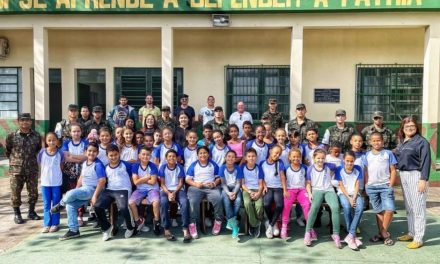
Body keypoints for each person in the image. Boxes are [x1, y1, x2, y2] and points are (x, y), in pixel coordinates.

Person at [51, 142, 106, 240]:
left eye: (94, 151)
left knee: (69, 194)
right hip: (84, 190)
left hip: (93, 190)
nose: (91, 153)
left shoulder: (98, 164)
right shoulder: (85, 163)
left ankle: (61, 204)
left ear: (97, 153)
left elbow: (102, 181)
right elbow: (81, 177)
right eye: (89, 151)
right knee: (70, 205)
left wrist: (95, 196)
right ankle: (74, 230)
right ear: (85, 152)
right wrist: (76, 190)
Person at [395, 117, 431, 249]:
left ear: (417, 127)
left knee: (418, 208)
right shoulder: (402, 141)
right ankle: (411, 232)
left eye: (412, 125)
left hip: (416, 175)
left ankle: (419, 238)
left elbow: (426, 161)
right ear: (402, 128)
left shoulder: (422, 142)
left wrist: (423, 179)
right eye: (407, 126)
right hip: (404, 175)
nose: (409, 128)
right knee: (409, 207)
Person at [94, 144, 137, 240]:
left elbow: (132, 178)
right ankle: (106, 228)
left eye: (115, 154)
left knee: (123, 207)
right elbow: (104, 181)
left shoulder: (126, 165)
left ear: (119, 154)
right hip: (109, 190)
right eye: (111, 155)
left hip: (123, 189)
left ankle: (131, 227)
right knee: (97, 206)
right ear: (107, 156)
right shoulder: (106, 167)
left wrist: (129, 187)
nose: (113, 157)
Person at [6, 113, 42, 224]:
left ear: (31, 122)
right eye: (22, 120)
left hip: (31, 168)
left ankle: (31, 212)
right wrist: (15, 161)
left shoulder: (36, 136)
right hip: (16, 169)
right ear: (18, 121)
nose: (25, 122)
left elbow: (38, 150)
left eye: (27, 120)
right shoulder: (12, 136)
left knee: (33, 192)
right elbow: (8, 151)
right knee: (15, 192)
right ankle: (17, 214)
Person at [363, 132, 397, 246]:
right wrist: (367, 184)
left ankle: (383, 232)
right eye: (374, 140)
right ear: (370, 142)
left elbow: (393, 170)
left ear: (382, 141)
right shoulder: (367, 155)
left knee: (390, 209)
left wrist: (391, 185)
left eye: (379, 140)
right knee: (379, 211)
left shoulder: (388, 153)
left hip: (385, 186)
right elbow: (366, 171)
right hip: (372, 187)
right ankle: (384, 235)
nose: (376, 142)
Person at [304, 149, 340, 248]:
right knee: (314, 208)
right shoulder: (310, 168)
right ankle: (307, 233)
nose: (320, 160)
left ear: (325, 158)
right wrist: (310, 193)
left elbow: (338, 168)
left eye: (323, 158)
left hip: (329, 190)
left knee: (335, 208)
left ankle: (336, 234)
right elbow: (308, 183)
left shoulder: (329, 166)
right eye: (318, 158)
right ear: (314, 159)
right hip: (317, 190)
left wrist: (334, 178)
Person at [186, 146, 224, 239]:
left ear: (208, 154)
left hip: (210, 187)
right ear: (197, 155)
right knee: (193, 201)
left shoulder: (213, 164)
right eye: (200, 153)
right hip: (196, 187)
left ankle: (218, 221)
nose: (203, 155)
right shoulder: (194, 165)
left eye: (205, 153)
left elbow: (218, 178)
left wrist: (214, 183)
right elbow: (187, 179)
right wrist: (195, 184)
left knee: (218, 198)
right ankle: (192, 223)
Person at [159, 149, 191, 243]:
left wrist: (174, 193)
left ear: (176, 158)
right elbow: (162, 184)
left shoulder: (180, 167)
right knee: (163, 202)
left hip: (178, 189)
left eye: (174, 156)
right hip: (166, 190)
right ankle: (166, 229)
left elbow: (181, 183)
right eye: (169, 156)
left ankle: (185, 229)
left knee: (185, 202)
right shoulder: (163, 167)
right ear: (166, 158)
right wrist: (169, 193)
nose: (172, 158)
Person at [128, 146, 161, 236]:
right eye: (143, 154)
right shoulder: (135, 166)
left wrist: (140, 179)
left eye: (147, 155)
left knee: (156, 201)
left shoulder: (153, 166)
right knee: (131, 202)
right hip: (140, 189)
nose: (145, 156)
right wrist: (147, 177)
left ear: (150, 156)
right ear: (139, 155)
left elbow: (153, 182)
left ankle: (156, 222)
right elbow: (135, 182)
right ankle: (138, 221)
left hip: (152, 188)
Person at [335, 151, 364, 251]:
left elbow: (357, 184)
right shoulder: (339, 169)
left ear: (354, 161)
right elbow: (341, 185)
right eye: (347, 161)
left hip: (355, 193)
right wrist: (349, 198)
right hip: (344, 193)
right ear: (344, 160)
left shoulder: (358, 168)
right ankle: (352, 236)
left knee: (360, 208)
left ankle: (350, 234)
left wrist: (354, 197)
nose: (349, 163)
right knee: (347, 207)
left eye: (351, 161)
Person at [280, 148, 310, 239]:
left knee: (307, 204)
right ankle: (284, 226)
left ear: (300, 157)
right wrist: (285, 190)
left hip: (301, 190)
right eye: (293, 156)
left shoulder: (305, 167)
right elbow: (283, 179)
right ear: (289, 157)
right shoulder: (286, 167)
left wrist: (308, 192)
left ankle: (309, 229)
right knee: (286, 205)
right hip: (290, 190)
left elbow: (307, 181)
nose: (296, 158)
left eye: (298, 156)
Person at [38, 132, 64, 233]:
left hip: (56, 183)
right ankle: (47, 224)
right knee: (46, 204)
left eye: (54, 140)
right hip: (45, 183)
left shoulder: (60, 153)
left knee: (56, 204)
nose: (52, 142)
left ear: (57, 141)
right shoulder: (42, 153)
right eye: (49, 140)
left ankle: (55, 223)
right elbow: (41, 165)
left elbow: (61, 166)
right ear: (46, 141)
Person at [261, 145, 286, 239]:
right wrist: (264, 186)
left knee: (280, 205)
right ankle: (272, 221)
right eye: (276, 153)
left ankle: (271, 225)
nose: (277, 155)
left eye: (279, 154)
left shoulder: (280, 162)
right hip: (268, 188)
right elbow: (261, 177)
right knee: (266, 204)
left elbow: (282, 176)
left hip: (278, 188)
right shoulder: (263, 163)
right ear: (270, 151)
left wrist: (285, 190)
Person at [241, 148, 264, 238]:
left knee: (259, 206)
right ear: (246, 158)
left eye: (253, 156)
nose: (251, 158)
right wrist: (250, 192)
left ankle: (254, 223)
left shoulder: (258, 168)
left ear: (256, 157)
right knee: (247, 203)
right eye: (249, 156)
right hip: (247, 190)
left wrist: (258, 193)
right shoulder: (242, 167)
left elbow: (261, 184)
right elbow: (242, 184)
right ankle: (255, 225)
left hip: (257, 190)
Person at [220, 150, 243, 238]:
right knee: (226, 200)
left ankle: (230, 222)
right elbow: (223, 184)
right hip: (226, 189)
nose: (230, 158)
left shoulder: (238, 168)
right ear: (225, 158)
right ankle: (235, 227)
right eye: (228, 156)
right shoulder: (222, 168)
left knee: (238, 201)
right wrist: (229, 193)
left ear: (235, 159)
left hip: (235, 188)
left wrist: (234, 192)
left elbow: (238, 183)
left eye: (233, 157)